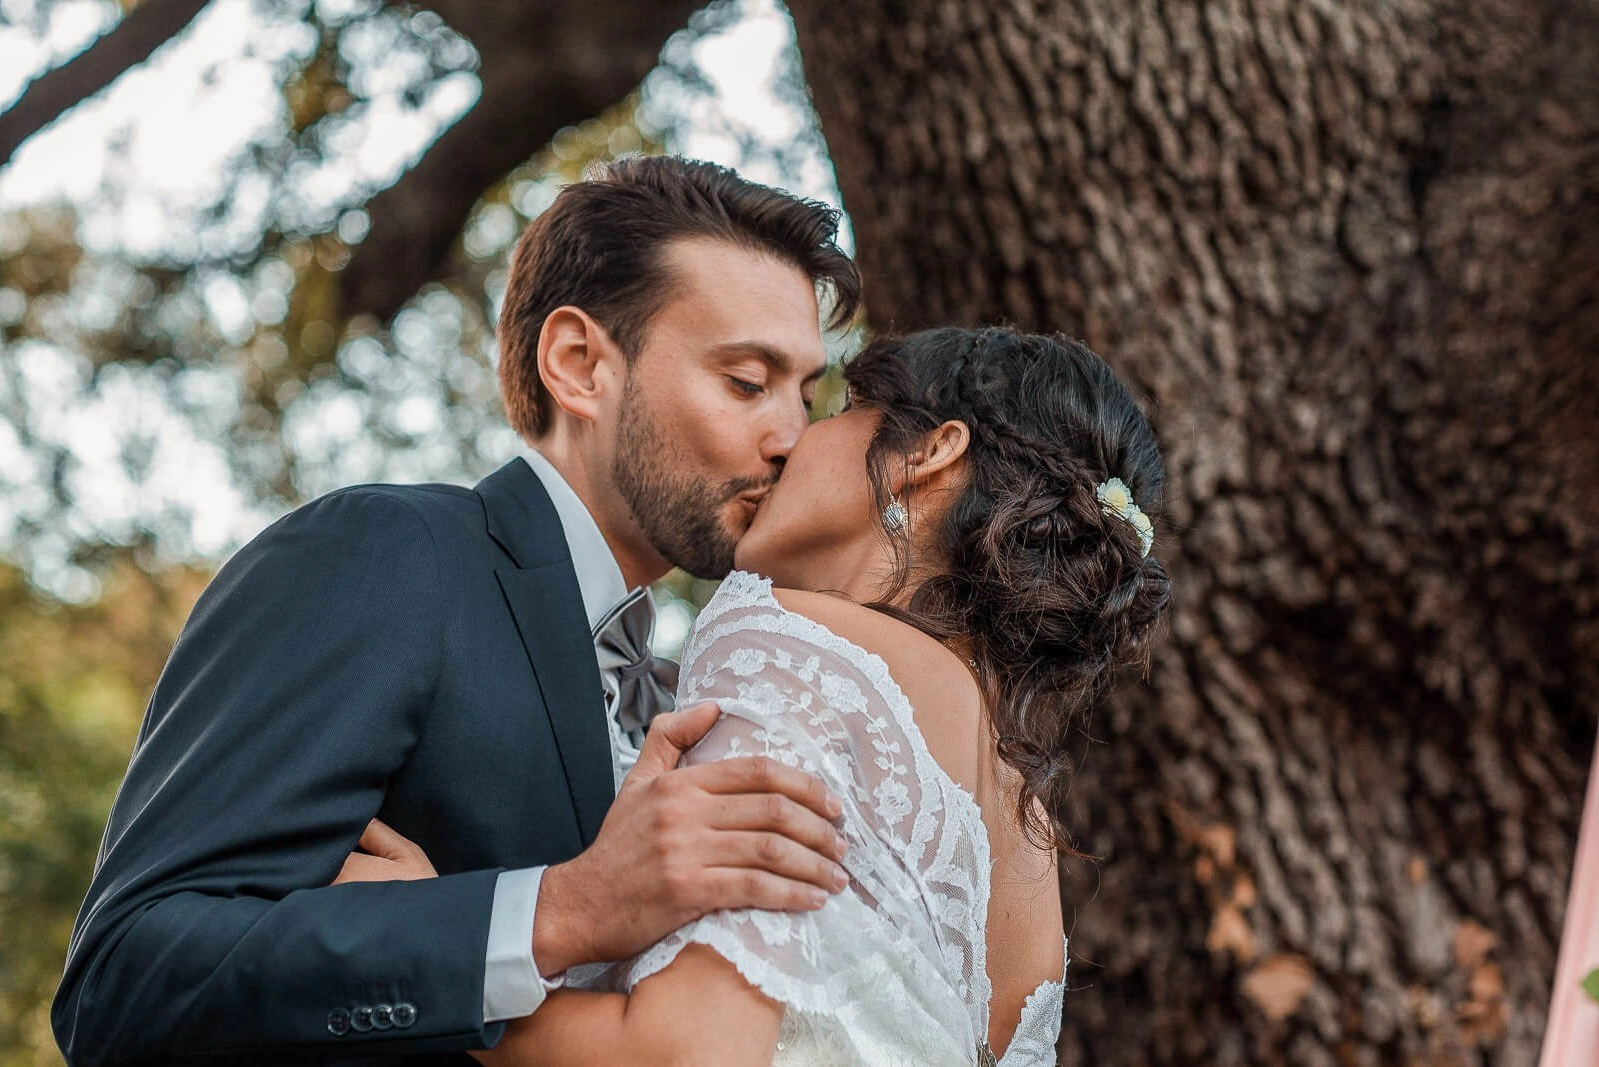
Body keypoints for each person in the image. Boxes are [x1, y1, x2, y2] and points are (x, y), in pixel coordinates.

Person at [51, 157, 864, 1065]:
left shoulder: (680, 687)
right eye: (748, 382)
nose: (791, 437)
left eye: (806, 391)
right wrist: (562, 910)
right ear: (579, 364)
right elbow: (126, 980)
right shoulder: (386, 552)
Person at [344, 326, 1174, 1065]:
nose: (784, 442)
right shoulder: (1026, 839)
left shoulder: (793, 638)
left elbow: (687, 1052)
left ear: (931, 452)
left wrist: (434, 942)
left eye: (839, 406)